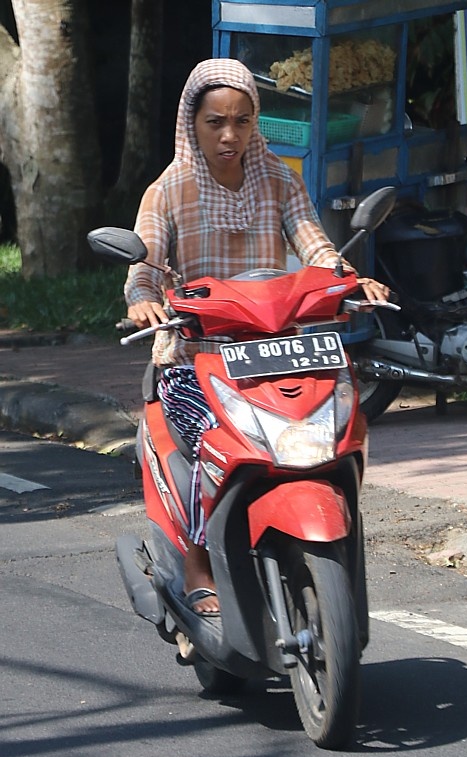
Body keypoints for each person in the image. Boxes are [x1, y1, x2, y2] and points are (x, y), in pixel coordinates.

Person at [124, 59, 389, 616]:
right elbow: (145, 265)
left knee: (334, 421)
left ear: (255, 122)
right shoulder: (167, 191)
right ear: (190, 123)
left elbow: (315, 245)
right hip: (197, 353)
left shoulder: (276, 178)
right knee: (199, 444)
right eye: (215, 121)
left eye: (242, 121)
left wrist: (346, 279)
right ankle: (198, 565)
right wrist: (142, 297)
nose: (229, 135)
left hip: (278, 346)